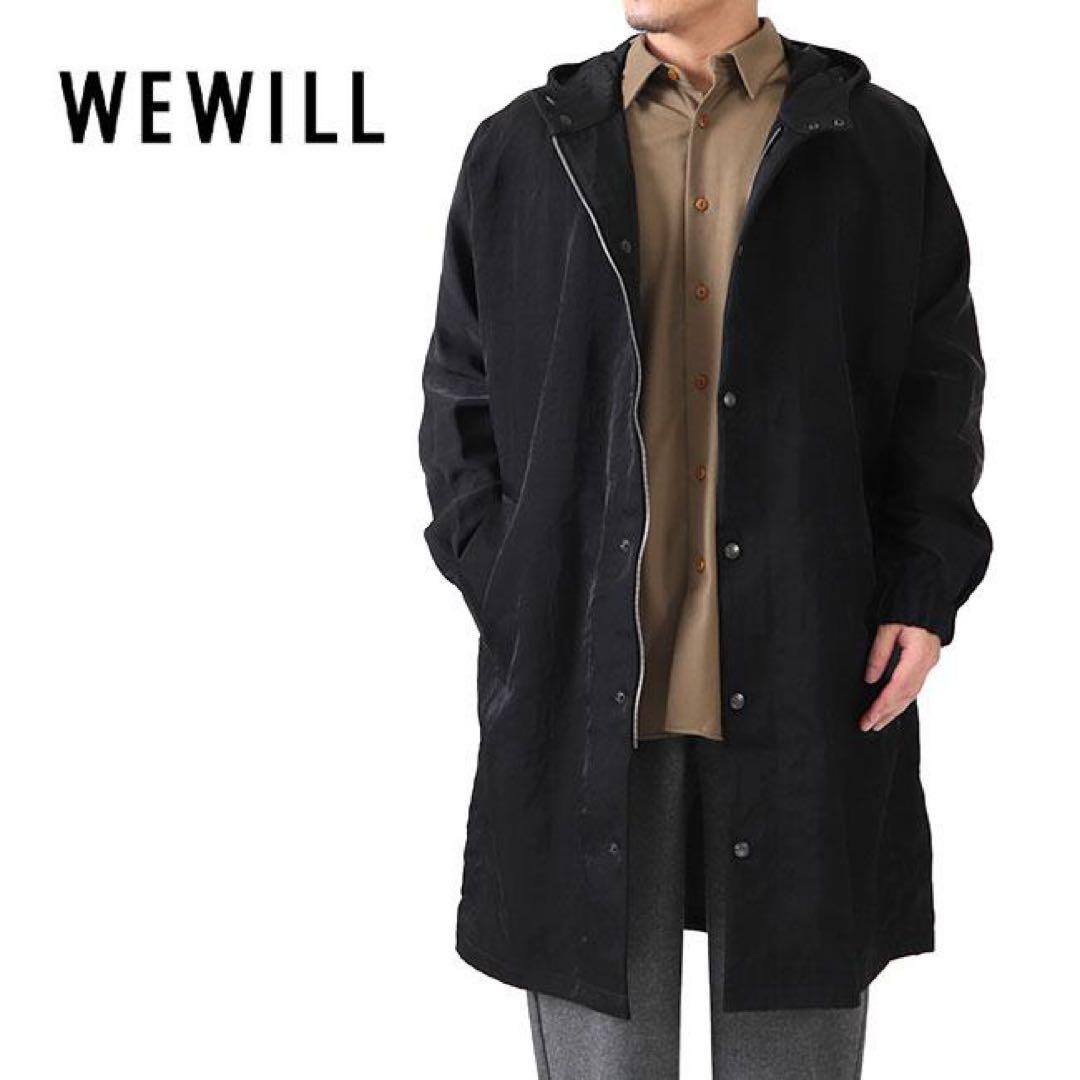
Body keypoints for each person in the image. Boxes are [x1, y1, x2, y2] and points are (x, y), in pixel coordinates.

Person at [419, 1, 991, 1076]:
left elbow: (937, 390)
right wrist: (522, 589)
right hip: (589, 690)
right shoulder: (527, 146)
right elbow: (461, 398)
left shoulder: (871, 140)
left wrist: (922, 589)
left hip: (811, 671)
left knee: (795, 1043)